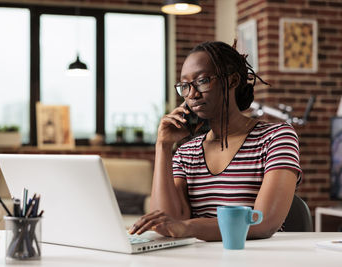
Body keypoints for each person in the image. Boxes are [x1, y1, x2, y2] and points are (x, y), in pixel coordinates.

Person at [128, 41, 302, 241]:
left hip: (255, 258)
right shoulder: (186, 153)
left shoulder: (276, 138)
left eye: (202, 81)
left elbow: (262, 222)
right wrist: (164, 146)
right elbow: (165, 222)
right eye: (185, 86)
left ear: (233, 81)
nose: (192, 94)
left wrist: (188, 227)